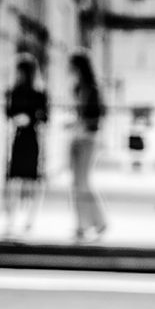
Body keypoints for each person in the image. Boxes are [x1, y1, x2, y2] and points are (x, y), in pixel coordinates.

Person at [5, 55, 48, 236]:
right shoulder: (14, 91)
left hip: (31, 137)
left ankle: (30, 219)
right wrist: (17, 119)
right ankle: (11, 219)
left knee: (31, 181)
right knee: (14, 179)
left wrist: (30, 119)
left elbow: (45, 116)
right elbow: (8, 112)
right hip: (19, 137)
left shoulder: (39, 93)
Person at [68, 48, 106, 241]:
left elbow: (96, 118)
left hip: (88, 139)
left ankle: (94, 223)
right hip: (77, 138)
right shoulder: (77, 89)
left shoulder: (92, 90)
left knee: (83, 183)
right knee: (77, 184)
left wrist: (82, 125)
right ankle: (86, 224)